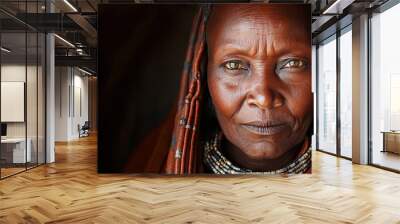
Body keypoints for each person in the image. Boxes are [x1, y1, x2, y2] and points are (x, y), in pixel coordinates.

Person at [125, 4, 312, 174]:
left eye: (294, 64)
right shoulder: (151, 163)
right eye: (234, 65)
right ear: (203, 74)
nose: (263, 98)